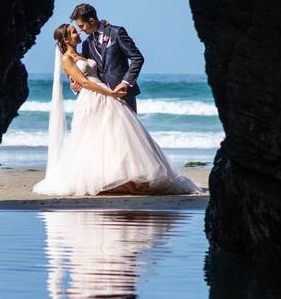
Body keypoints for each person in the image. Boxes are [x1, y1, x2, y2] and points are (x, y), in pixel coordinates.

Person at [32, 21, 199, 197]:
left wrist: (107, 91)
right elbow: (84, 82)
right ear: (65, 39)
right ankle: (103, 180)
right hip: (93, 98)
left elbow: (92, 74)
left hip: (105, 94)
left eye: (77, 29)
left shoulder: (84, 51)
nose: (78, 33)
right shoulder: (66, 59)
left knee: (115, 136)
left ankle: (124, 178)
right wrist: (109, 93)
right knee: (93, 139)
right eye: (74, 32)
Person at [68, 3, 143, 113]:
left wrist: (125, 82)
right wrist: (76, 86)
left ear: (91, 21)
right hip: (101, 97)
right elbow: (89, 71)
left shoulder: (117, 33)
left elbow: (137, 58)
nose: (81, 30)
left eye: (81, 26)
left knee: (128, 130)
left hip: (123, 94)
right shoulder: (86, 44)